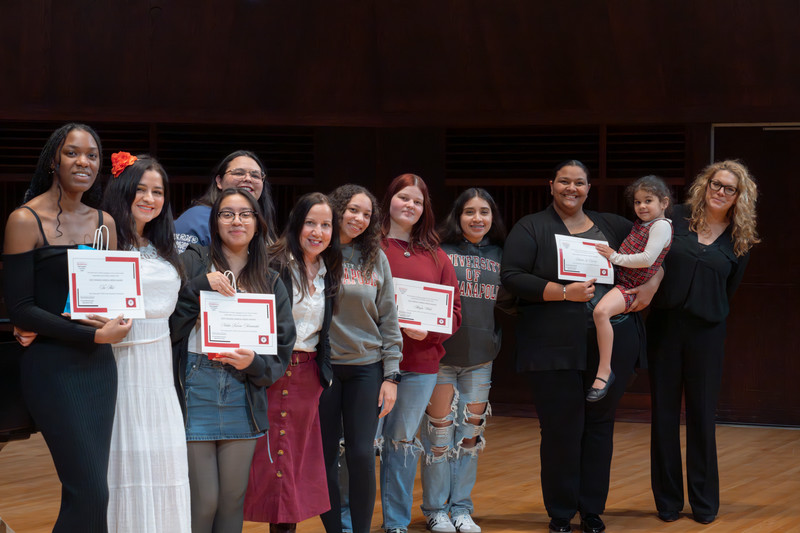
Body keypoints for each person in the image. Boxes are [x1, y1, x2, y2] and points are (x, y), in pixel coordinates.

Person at [500, 160, 663, 533]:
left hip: (612, 345)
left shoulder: (614, 226)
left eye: (579, 183)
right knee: (560, 428)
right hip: (551, 346)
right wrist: (562, 292)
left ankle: (592, 510)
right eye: (563, 182)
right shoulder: (532, 226)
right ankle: (560, 512)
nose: (571, 188)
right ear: (551, 185)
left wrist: (652, 285)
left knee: (600, 426)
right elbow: (512, 276)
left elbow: (658, 250)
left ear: (589, 188)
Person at [3, 123, 132, 532]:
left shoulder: (105, 224)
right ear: (53, 162)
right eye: (73, 153)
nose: (84, 162)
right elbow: (21, 310)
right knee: (90, 491)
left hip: (98, 367)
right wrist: (93, 334)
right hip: (52, 368)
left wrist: (118, 320)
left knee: (93, 490)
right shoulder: (25, 220)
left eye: (92, 155)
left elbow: (106, 300)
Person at [170, 188, 295, 533]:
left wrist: (253, 363)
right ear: (214, 222)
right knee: (204, 500)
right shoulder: (194, 262)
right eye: (227, 213)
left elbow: (282, 347)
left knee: (231, 499)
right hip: (196, 384)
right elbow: (169, 326)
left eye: (245, 214)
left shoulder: (270, 277)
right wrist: (198, 289)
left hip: (243, 392)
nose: (236, 221)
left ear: (257, 223)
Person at [647, 160, 759, 525]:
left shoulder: (739, 238)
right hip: (665, 327)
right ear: (705, 184)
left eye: (730, 189)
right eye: (716, 184)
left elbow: (730, 289)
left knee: (701, 417)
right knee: (663, 416)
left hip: (707, 335)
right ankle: (667, 501)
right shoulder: (675, 218)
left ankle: (705, 503)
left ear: (739, 197)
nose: (720, 192)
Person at [101, 152, 191, 532]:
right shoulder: (102, 240)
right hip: (116, 360)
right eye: (141, 189)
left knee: (162, 462)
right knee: (122, 461)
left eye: (158, 192)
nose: (150, 199)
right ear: (122, 191)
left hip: (157, 364)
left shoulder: (165, 247)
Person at [244, 192, 343, 533]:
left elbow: (325, 329)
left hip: (307, 376)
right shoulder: (274, 263)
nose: (318, 232)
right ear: (296, 225)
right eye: (310, 223)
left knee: (295, 466)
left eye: (326, 225)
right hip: (270, 371)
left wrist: (323, 375)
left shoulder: (330, 270)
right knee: (264, 460)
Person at [420, 188, 511, 533]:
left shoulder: (502, 254)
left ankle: (461, 509)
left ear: (492, 217)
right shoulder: (439, 251)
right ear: (457, 216)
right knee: (440, 436)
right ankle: (435, 510)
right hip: (442, 358)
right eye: (469, 211)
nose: (477, 218)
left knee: (470, 435)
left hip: (480, 358)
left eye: (484, 212)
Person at [379, 173, 462, 533]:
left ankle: (395, 523)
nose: (410, 205)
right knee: (360, 445)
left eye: (418, 201)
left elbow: (455, 312)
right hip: (373, 364)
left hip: (420, 364)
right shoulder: (370, 247)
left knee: (401, 444)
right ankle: (348, 522)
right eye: (404, 198)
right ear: (389, 200)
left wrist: (429, 331)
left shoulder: (437, 256)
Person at [319, 184, 403, 533]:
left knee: (361, 454)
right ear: (337, 209)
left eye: (367, 214)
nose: (359, 219)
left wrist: (392, 374)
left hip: (366, 368)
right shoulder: (319, 251)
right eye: (353, 210)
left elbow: (388, 316)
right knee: (324, 457)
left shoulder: (375, 257)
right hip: (321, 369)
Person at [589, 175, 673, 402]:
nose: (642, 206)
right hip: (621, 281)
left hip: (631, 286)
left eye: (648, 200)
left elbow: (647, 259)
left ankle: (605, 371)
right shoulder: (643, 225)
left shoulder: (662, 226)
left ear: (664, 203)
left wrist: (614, 257)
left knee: (600, 312)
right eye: (637, 202)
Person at [174, 150, 276, 252]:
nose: (248, 179)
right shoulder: (196, 218)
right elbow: (180, 265)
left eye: (255, 175)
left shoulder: (262, 222)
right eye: (239, 173)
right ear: (219, 181)